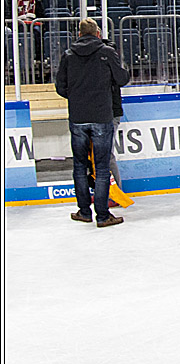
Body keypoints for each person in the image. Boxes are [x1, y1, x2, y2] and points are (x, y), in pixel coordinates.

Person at [55, 18, 130, 227]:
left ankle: (84, 211)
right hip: (101, 116)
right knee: (102, 166)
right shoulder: (107, 52)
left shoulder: (68, 55)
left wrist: (76, 97)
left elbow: (60, 87)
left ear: (79, 34)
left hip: (78, 117)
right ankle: (103, 215)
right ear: (98, 33)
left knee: (79, 166)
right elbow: (122, 79)